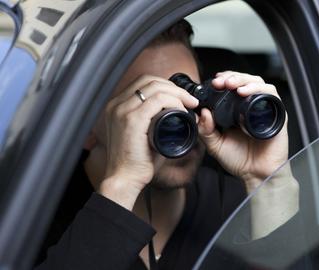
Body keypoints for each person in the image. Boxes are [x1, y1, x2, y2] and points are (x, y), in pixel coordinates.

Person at [35, 19, 299, 270]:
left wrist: (267, 181)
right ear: (86, 129)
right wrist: (122, 185)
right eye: (149, 105)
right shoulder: (32, 214)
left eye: (189, 97)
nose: (186, 122)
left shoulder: (234, 206)